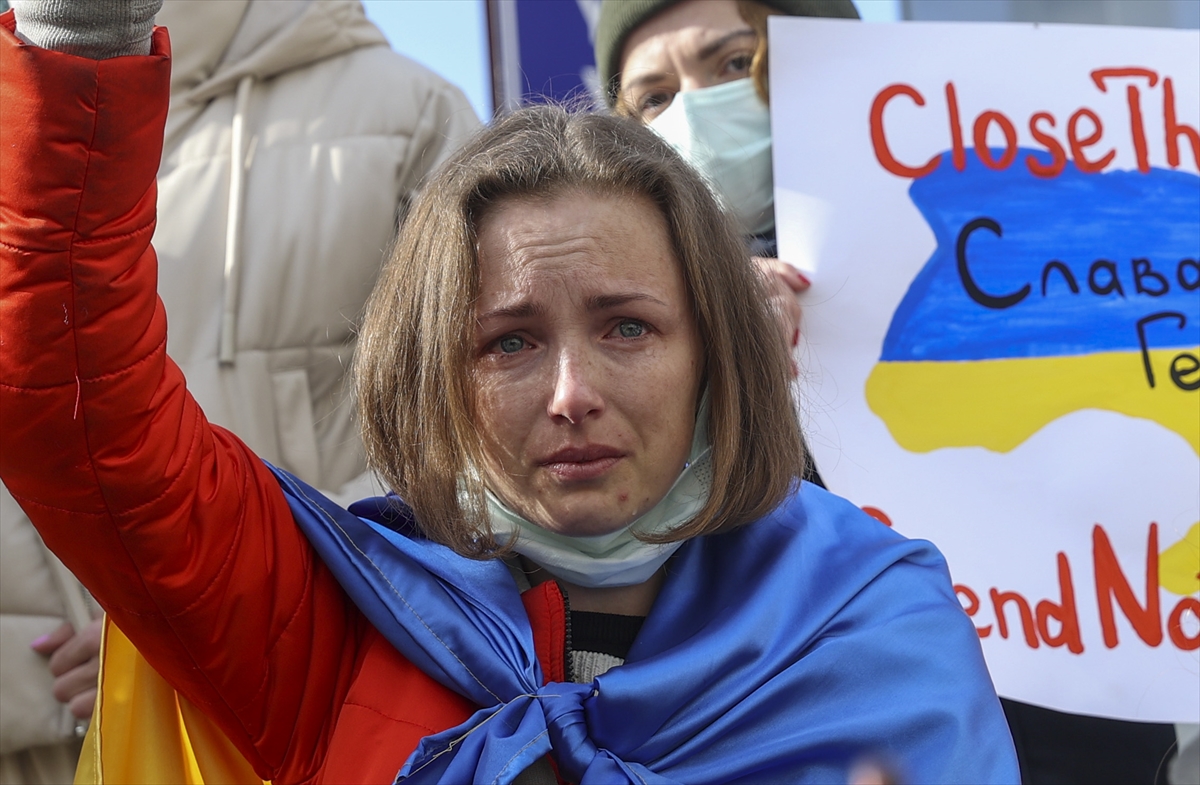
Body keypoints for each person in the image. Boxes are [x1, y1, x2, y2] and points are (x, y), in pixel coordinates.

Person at [0, 7, 1019, 783]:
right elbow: (76, 400)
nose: (572, 392)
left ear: (716, 348)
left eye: (628, 327)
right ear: (435, 376)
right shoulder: (327, 621)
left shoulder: (874, 617)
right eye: (510, 342)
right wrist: (84, 33)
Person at [595, 2, 1190, 782]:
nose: (697, 113)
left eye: (735, 64)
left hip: (1073, 711)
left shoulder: (1029, 234)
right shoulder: (620, 325)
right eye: (655, 96)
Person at [0, 1, 477, 780]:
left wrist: (206, 616)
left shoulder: (408, 114)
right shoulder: (22, 98)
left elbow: (481, 445)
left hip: (298, 723)